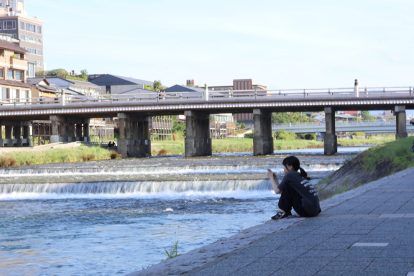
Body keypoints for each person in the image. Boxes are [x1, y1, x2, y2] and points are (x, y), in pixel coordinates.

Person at [268, 156, 321, 220]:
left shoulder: (290, 175)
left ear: (290, 166)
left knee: (288, 186)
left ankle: (283, 212)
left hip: (307, 212)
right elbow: (282, 192)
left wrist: (271, 178)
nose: (283, 169)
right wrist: (275, 179)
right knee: (289, 186)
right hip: (315, 210)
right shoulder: (298, 175)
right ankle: (284, 212)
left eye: (284, 167)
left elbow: (277, 191)